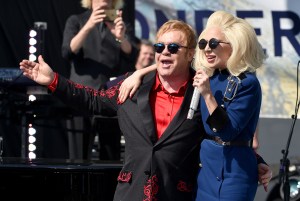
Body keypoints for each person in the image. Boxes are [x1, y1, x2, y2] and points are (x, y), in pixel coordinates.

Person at [20, 19, 271, 201]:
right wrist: (54, 80)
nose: (164, 53)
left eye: (173, 48)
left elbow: (220, 133)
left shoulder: (202, 90)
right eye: (159, 47)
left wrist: (253, 161)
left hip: (177, 195)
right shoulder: (133, 87)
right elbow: (92, 100)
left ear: (190, 54)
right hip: (131, 193)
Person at [191, 10, 267, 201]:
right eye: (203, 44)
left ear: (234, 45)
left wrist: (207, 94)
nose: (207, 49)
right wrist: (137, 74)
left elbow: (227, 132)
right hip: (206, 170)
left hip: (235, 174)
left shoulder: (247, 83)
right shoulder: (208, 77)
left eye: (213, 43)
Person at [61, 0, 138, 160]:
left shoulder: (120, 24)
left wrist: (120, 37)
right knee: (78, 155)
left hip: (109, 96)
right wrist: (89, 24)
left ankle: (108, 184)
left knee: (110, 153)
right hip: (80, 94)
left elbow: (132, 55)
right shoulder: (76, 20)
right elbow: (68, 51)